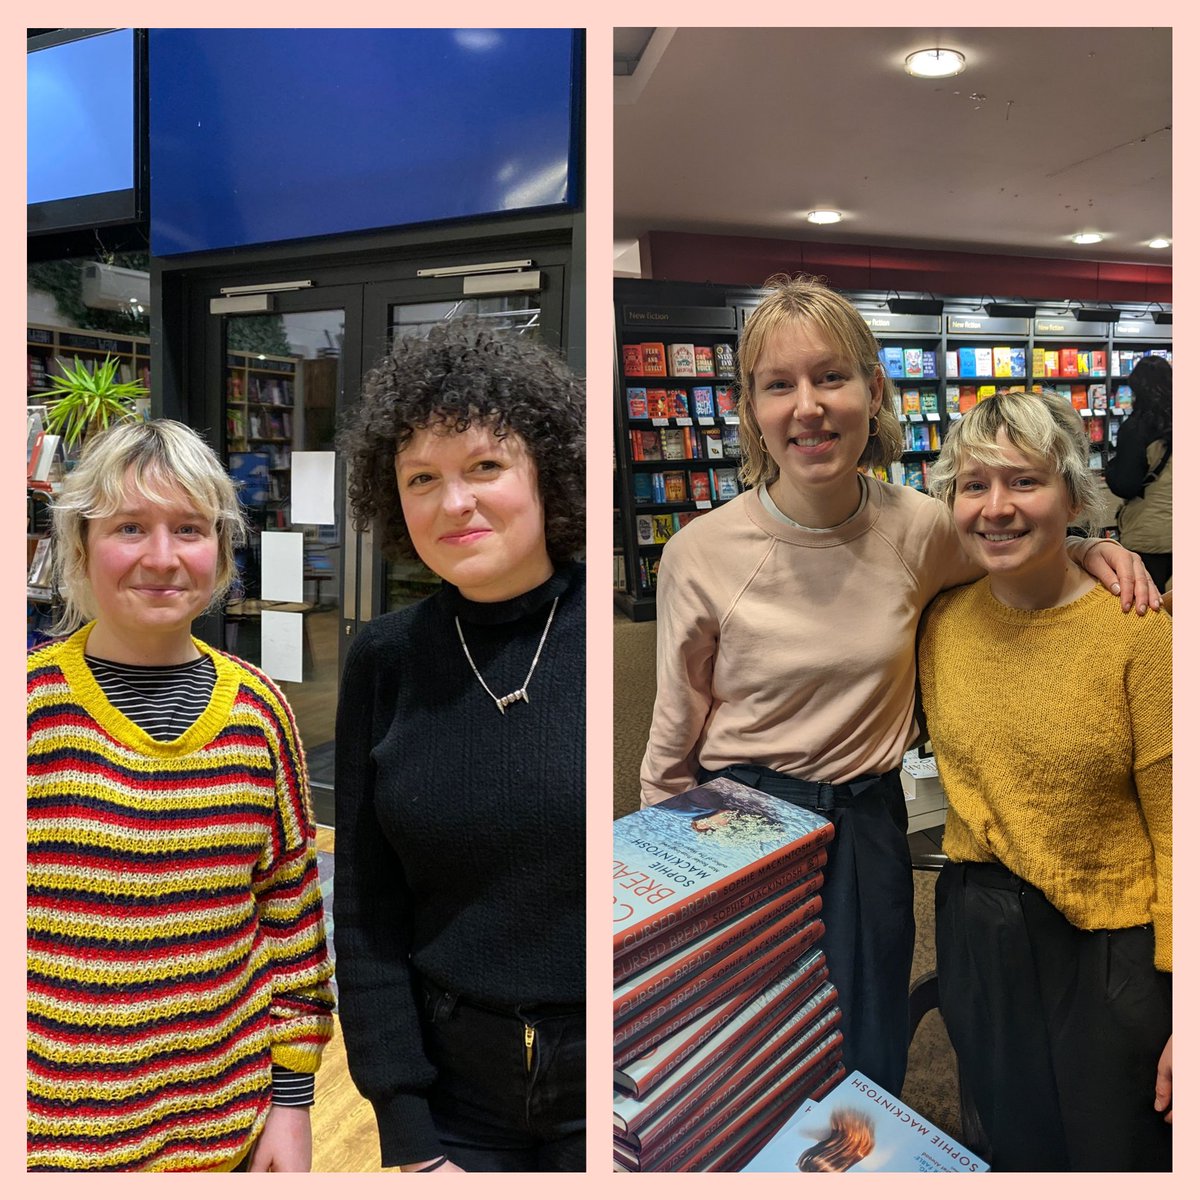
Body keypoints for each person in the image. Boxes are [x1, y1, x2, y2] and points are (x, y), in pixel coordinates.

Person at [639, 274, 1157, 1098]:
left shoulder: (919, 526)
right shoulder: (699, 552)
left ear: (873, 391)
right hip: (736, 822)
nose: (808, 407)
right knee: (749, 1052)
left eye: (831, 377)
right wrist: (665, 885)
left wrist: (1094, 547)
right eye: (780, 385)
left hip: (866, 821)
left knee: (867, 1044)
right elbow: (671, 740)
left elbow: (1016, 545)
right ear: (752, 408)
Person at [27, 419, 335, 1172]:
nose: (162, 558)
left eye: (190, 529)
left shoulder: (260, 713)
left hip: (226, 1129)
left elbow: (290, 917)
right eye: (130, 526)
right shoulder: (30, 707)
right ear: (78, 546)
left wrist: (291, 1105)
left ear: (223, 553)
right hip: (49, 1146)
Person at [334, 319, 585, 1172]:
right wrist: (404, 1127)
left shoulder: (630, 643)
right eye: (421, 478)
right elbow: (367, 909)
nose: (454, 503)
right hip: (453, 1097)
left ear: (548, 469)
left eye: (485, 466)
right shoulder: (385, 657)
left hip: (622, 1077)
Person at [919, 390, 1171, 1171]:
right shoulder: (941, 621)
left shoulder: (1140, 636)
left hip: (1109, 953)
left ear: (1073, 493)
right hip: (979, 934)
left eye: (1024, 481)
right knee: (1012, 1142)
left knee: (1116, 1152)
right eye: (973, 484)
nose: (997, 507)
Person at [1105, 354, 1172, 591]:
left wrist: (1110, 469)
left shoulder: (1136, 428)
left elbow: (1126, 484)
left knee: (1148, 596)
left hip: (1149, 533)